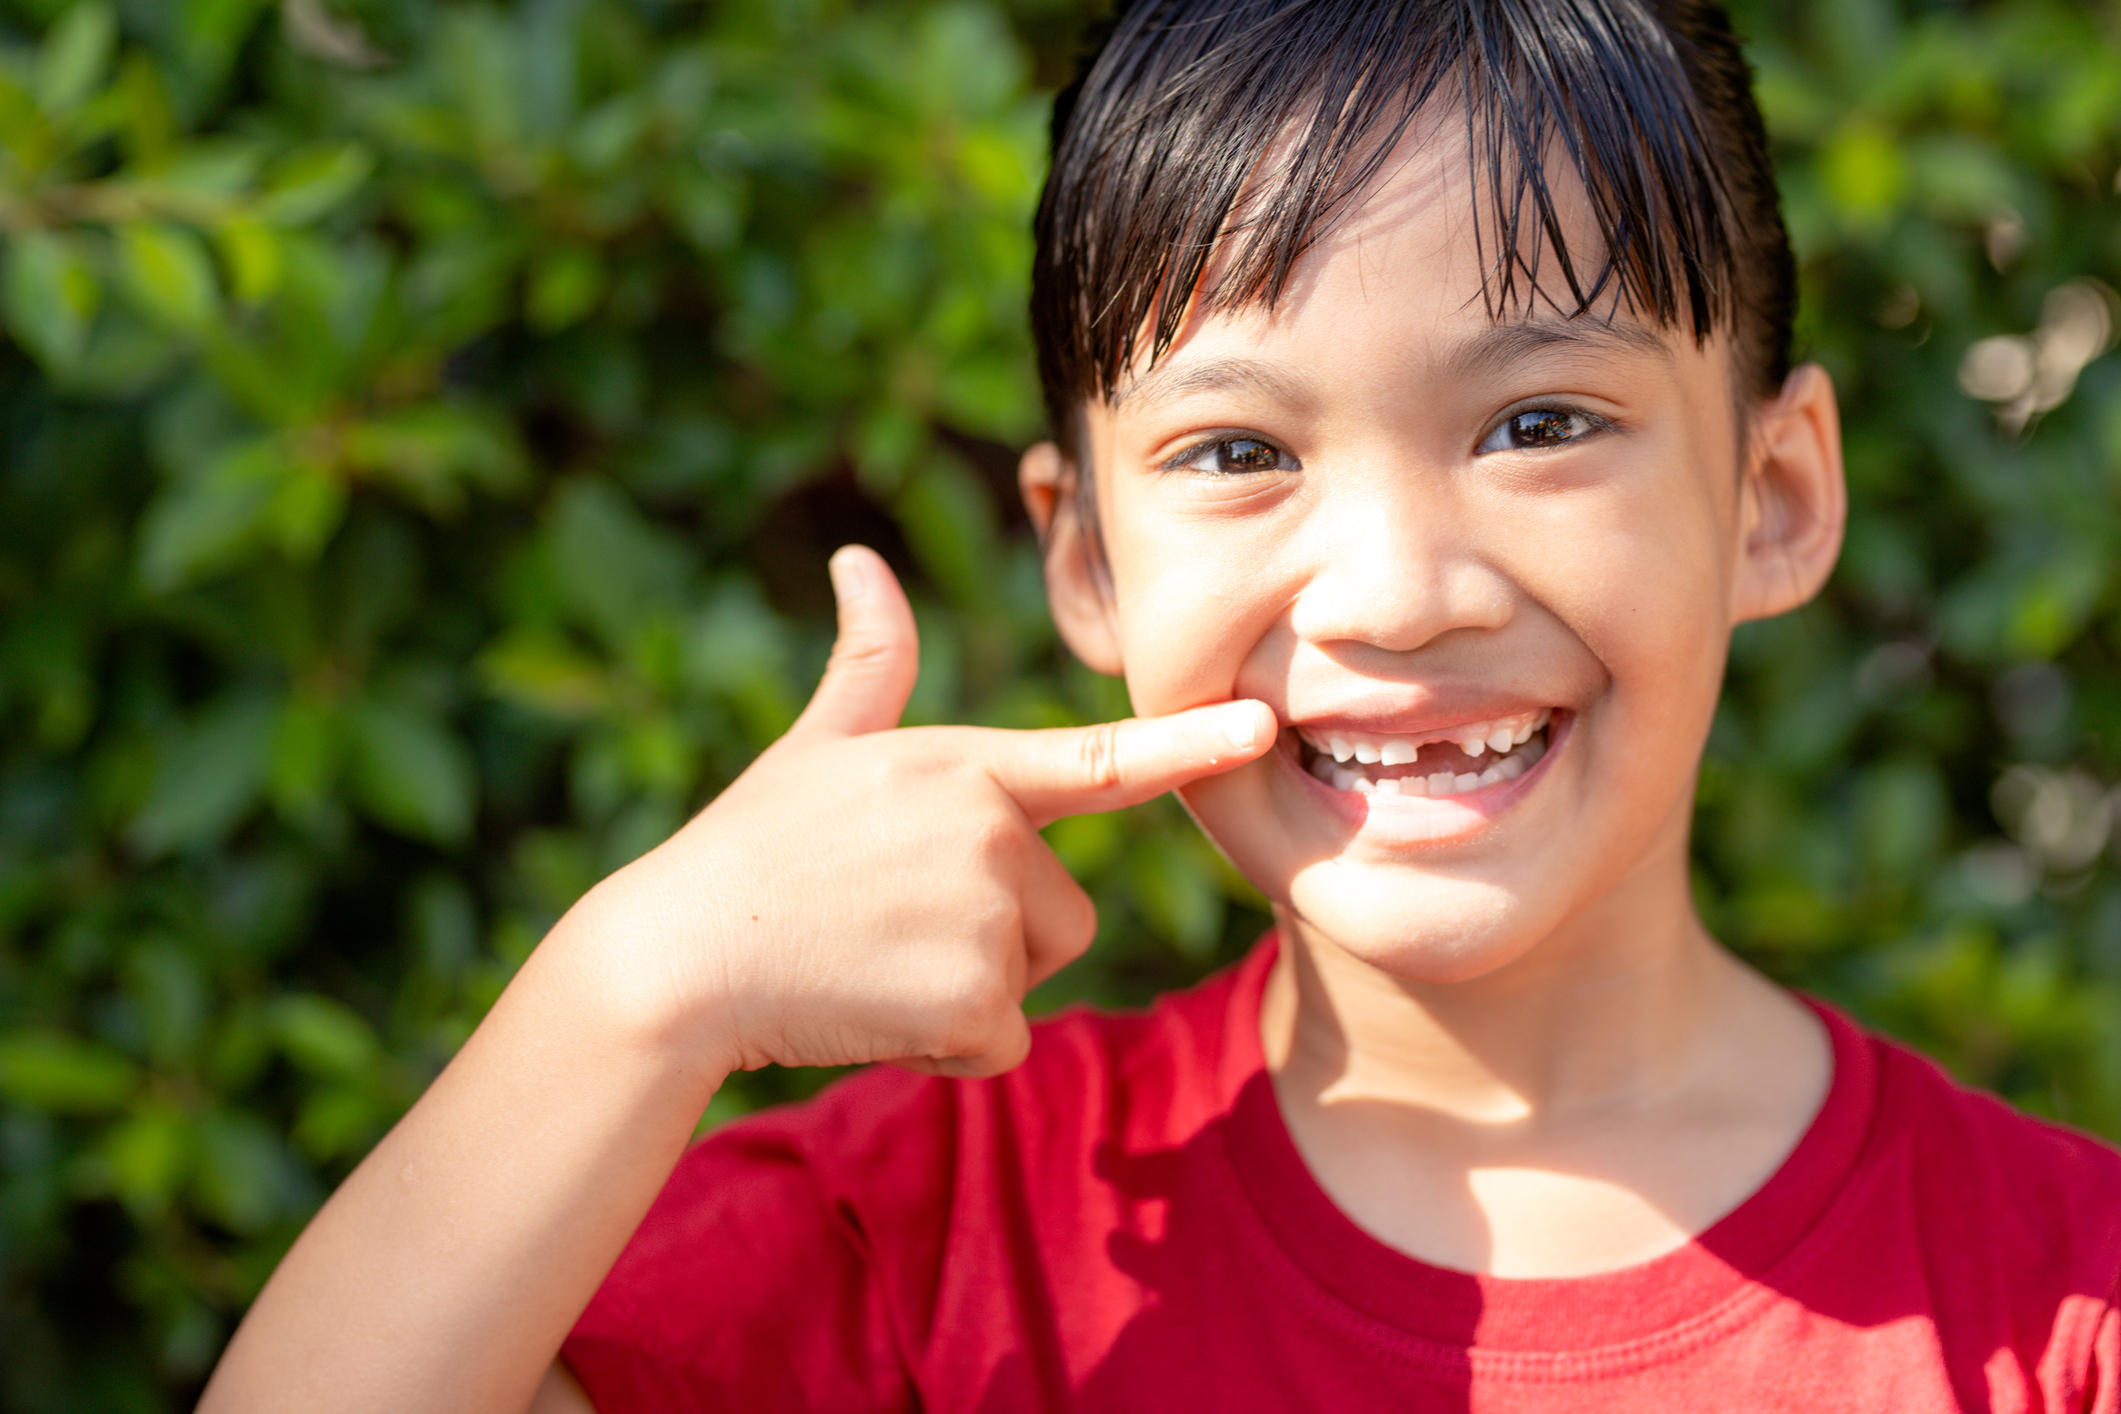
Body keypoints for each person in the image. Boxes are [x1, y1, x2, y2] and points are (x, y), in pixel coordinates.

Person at [199, 0, 2121, 1409]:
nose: (1392, 593)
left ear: (1770, 494)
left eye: (1539, 422)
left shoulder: (2063, 1308)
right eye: (1232, 449)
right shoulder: (922, 1254)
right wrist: (641, 988)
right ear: (1089, 563)